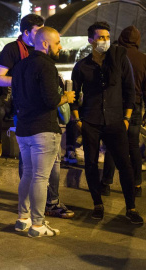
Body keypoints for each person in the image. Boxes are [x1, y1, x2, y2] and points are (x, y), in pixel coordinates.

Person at [0, 14, 74, 219]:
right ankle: (37, 220)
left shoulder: (30, 61)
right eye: (38, 31)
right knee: (38, 173)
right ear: (27, 32)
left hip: (29, 120)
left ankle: (27, 214)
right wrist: (31, 83)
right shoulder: (17, 52)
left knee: (36, 171)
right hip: (36, 120)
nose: (59, 46)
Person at [71, 22, 143, 224]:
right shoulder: (82, 66)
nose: (105, 41)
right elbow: (75, 95)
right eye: (100, 37)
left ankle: (131, 207)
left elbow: (130, 90)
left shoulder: (119, 59)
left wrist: (127, 118)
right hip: (91, 121)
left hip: (115, 121)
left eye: (107, 37)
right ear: (90, 40)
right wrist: (77, 119)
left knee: (125, 165)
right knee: (91, 164)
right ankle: (97, 204)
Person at [12, 27, 75, 237]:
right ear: (45, 44)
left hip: (23, 128)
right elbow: (51, 100)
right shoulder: (47, 65)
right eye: (57, 43)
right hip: (43, 129)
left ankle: (23, 218)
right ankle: (38, 225)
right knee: (40, 177)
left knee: (28, 175)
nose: (60, 46)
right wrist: (67, 97)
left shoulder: (20, 65)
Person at [101, 25, 146, 198]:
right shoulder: (143, 59)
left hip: (115, 105)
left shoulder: (113, 55)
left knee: (112, 145)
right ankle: (136, 185)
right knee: (133, 145)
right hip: (134, 106)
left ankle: (106, 183)